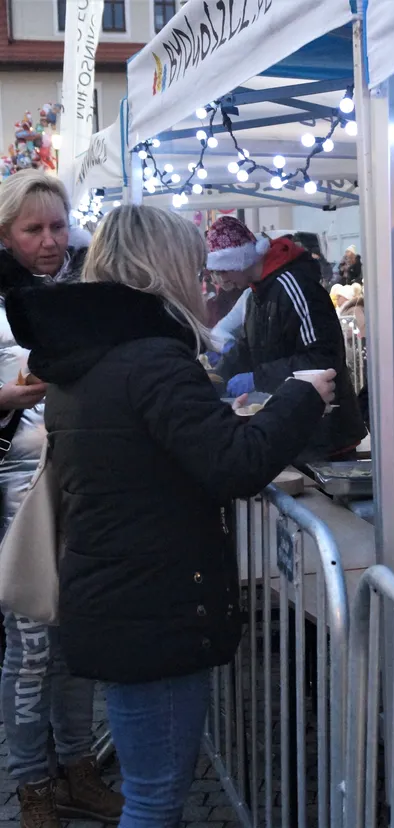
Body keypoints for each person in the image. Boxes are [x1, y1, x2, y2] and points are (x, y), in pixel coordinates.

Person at [6, 204, 335, 828]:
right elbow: (232, 463)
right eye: (192, 264)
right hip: (148, 605)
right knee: (155, 797)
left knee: (153, 790)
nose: (203, 280)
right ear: (165, 267)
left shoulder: (93, 355)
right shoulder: (150, 357)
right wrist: (298, 397)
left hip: (126, 595)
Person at [0, 171, 122, 828]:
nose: (49, 241)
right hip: (20, 490)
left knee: (75, 639)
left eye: (56, 226)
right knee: (32, 644)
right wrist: (10, 398)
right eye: (32, 229)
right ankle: (32, 786)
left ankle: (77, 769)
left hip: (78, 480)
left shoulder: (78, 294)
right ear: (6, 233)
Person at [211, 218, 366, 462]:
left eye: (222, 270)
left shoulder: (294, 286)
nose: (221, 280)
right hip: (292, 429)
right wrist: (217, 378)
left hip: (324, 433)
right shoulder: (255, 295)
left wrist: (258, 378)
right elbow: (247, 347)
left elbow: (322, 358)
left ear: (238, 260)